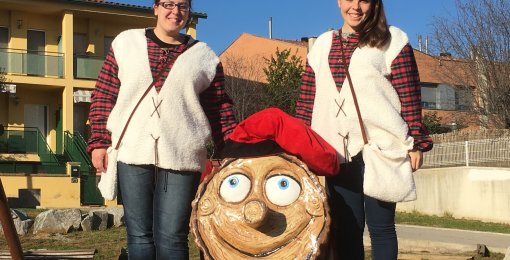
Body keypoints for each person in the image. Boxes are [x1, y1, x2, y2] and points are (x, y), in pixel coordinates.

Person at [86, 0, 237, 259]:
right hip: (133, 151)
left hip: (183, 154)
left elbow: (218, 108)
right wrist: (99, 141)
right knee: (139, 236)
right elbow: (104, 93)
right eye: (168, 4)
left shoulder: (205, 56)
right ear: (155, 8)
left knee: (173, 236)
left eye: (183, 6)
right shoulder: (126, 43)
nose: (175, 12)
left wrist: (233, 149)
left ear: (188, 12)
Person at [295, 0, 433, 259]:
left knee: (381, 229)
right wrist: (298, 145)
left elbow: (410, 95)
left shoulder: (392, 40)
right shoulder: (321, 45)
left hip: (382, 149)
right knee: (347, 228)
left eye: (364, 0)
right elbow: (306, 101)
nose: (355, 7)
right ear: (338, 1)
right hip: (336, 151)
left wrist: (416, 143)